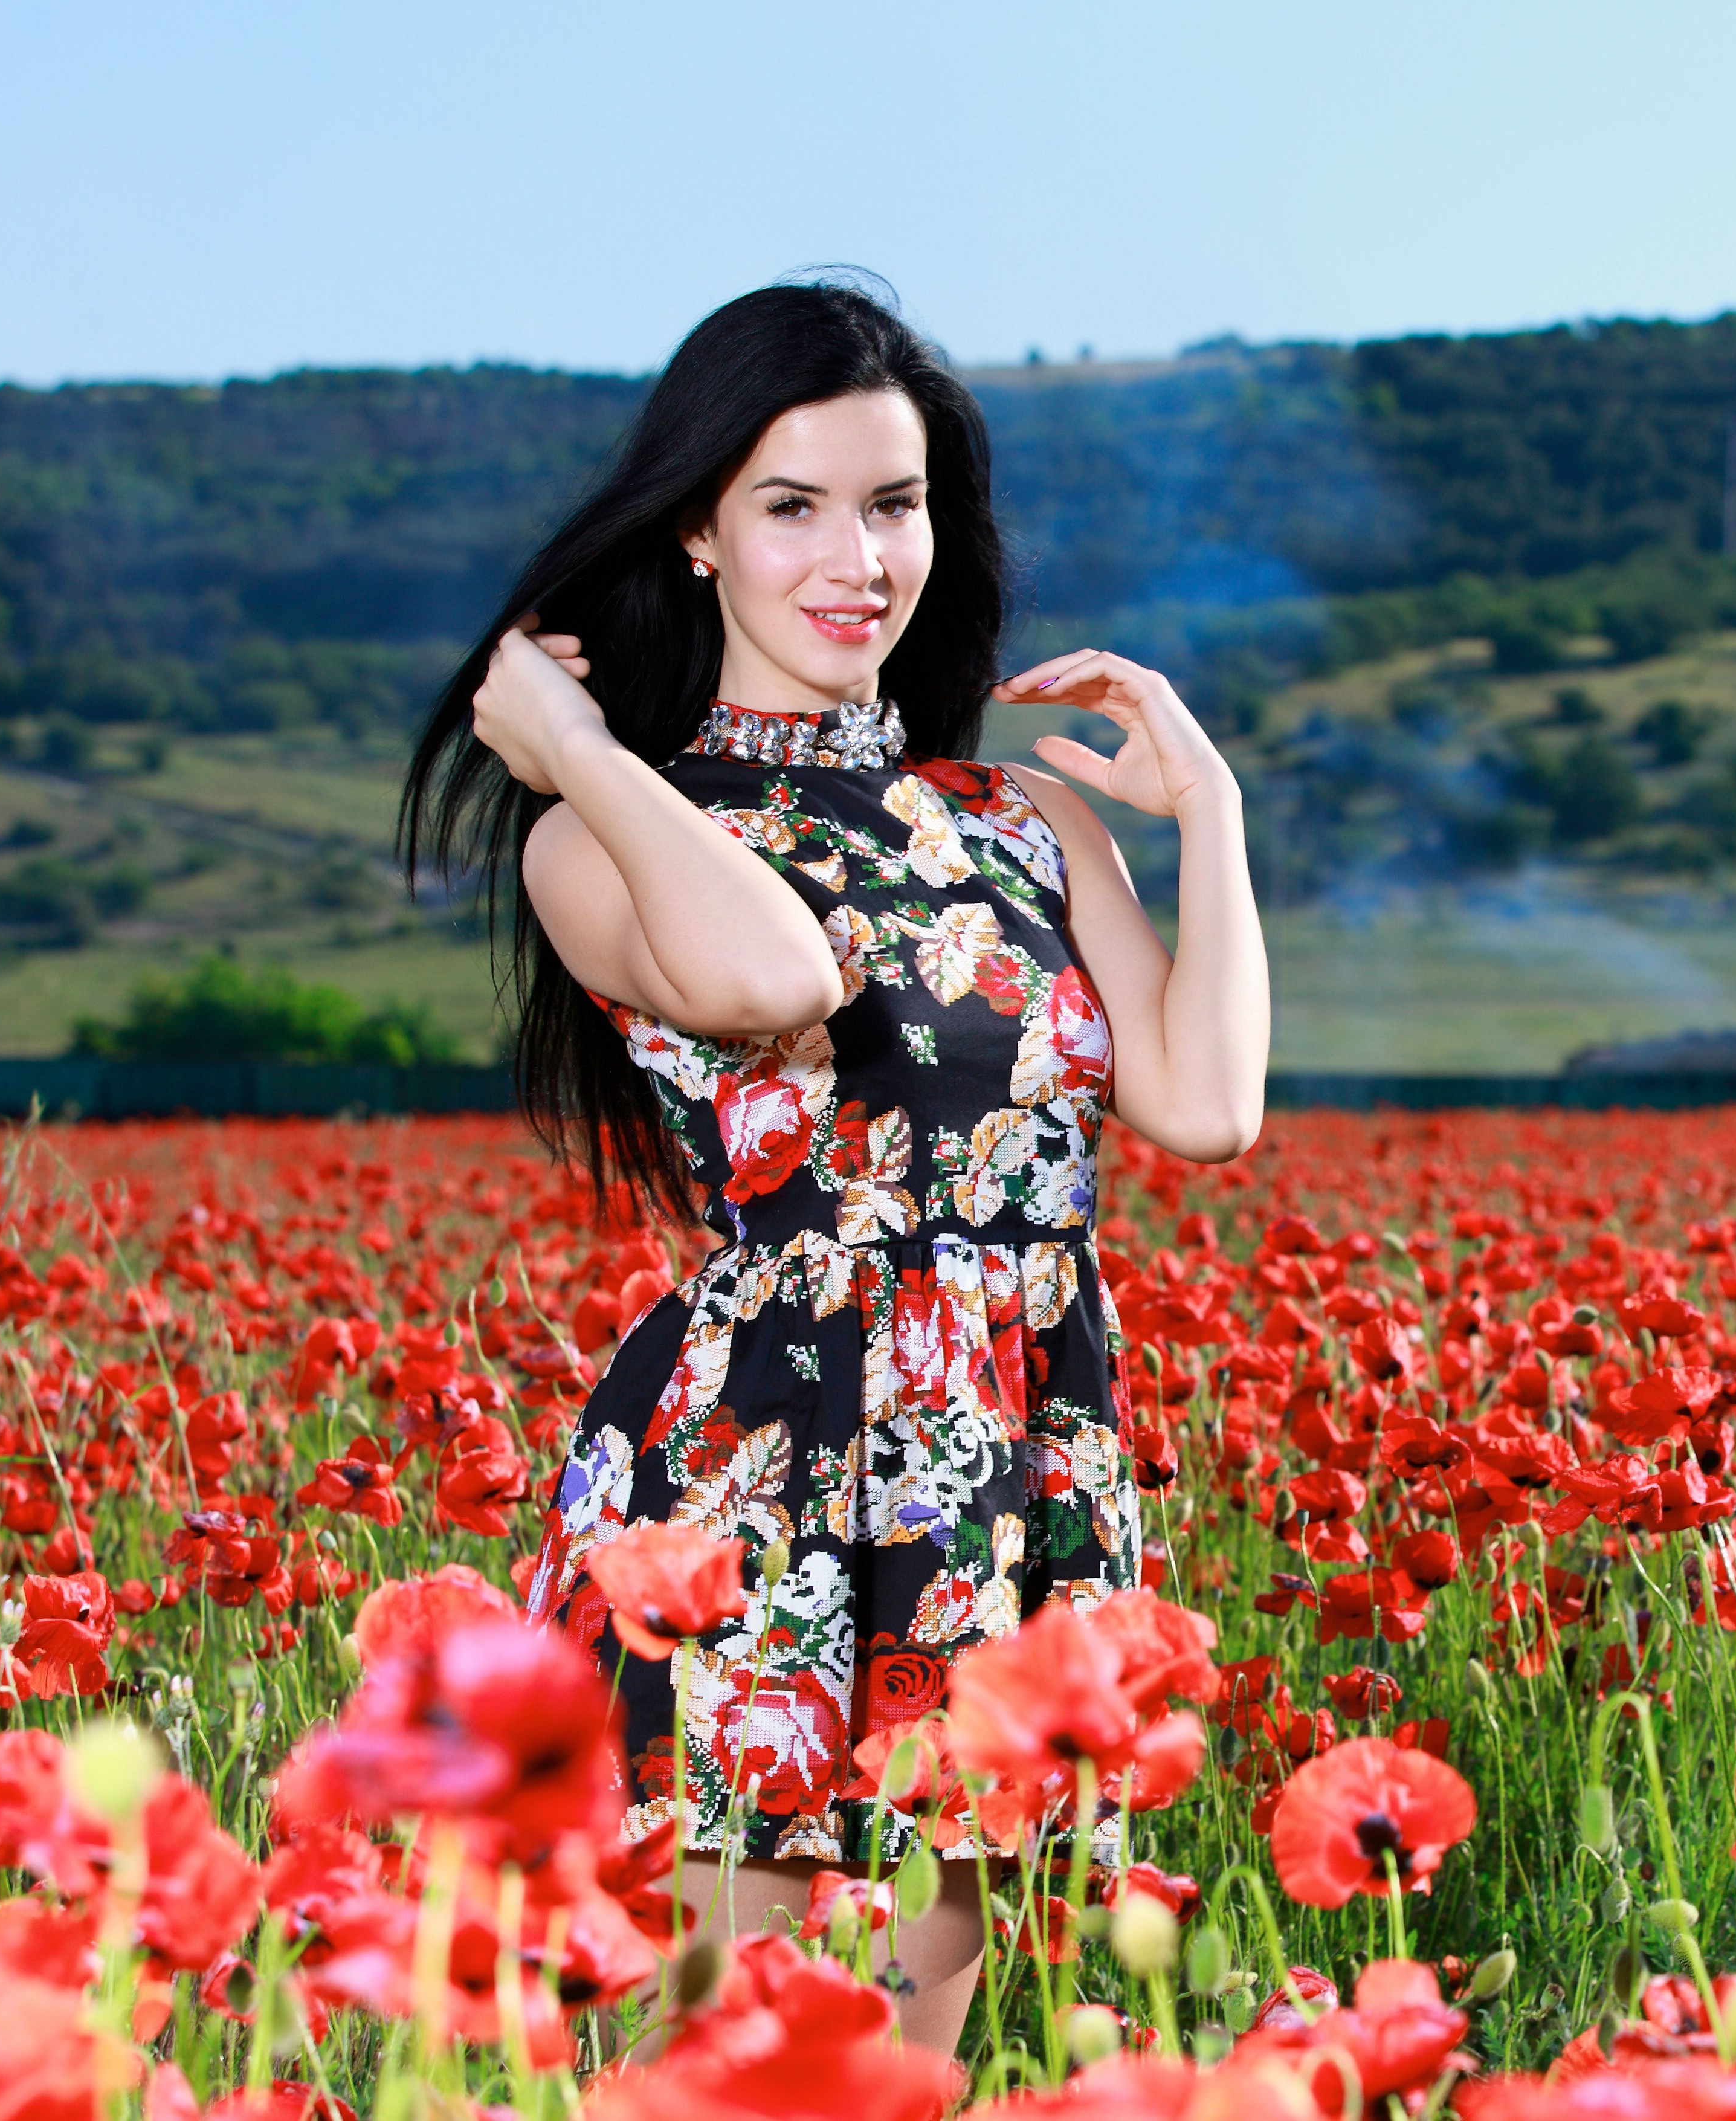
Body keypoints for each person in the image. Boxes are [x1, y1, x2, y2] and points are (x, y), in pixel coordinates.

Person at [397, 278, 1267, 2054]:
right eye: (793, 507)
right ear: (701, 535)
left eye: (896, 502)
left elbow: (1201, 1104)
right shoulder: (609, 844)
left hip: (1000, 1451)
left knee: (912, 2058)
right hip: (758, 1465)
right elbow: (772, 981)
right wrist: (573, 750)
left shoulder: (1028, 819)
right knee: (723, 2053)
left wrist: (1223, 817)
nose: (856, 557)